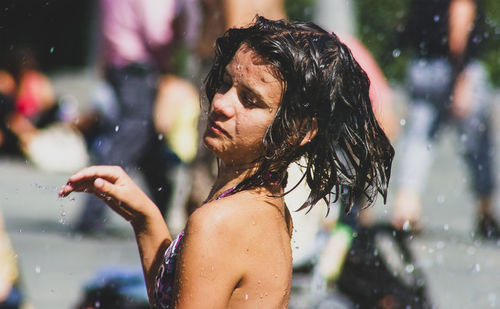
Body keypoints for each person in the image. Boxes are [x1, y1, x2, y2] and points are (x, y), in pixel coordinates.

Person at [60, 16, 394, 308]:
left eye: (250, 100)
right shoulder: (266, 203)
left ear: (300, 130)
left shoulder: (219, 222)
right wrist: (145, 219)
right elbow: (181, 295)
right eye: (224, 84)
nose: (221, 103)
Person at [74, 0, 197, 234]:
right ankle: (92, 213)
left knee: (148, 142)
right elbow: (157, 34)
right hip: (139, 69)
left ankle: (162, 212)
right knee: (131, 138)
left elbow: (104, 29)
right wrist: (184, 31)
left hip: (120, 64)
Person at [391, 0, 500, 239]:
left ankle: (406, 209)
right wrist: (459, 76)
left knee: (418, 141)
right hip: (454, 69)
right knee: (476, 145)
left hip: (422, 66)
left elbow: (406, 26)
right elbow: (461, 15)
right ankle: (485, 210)